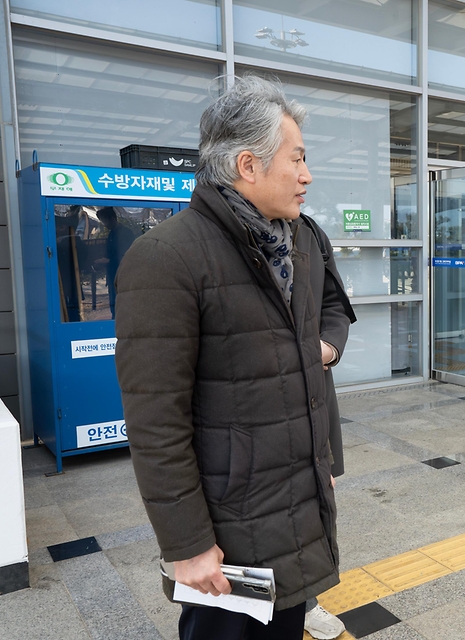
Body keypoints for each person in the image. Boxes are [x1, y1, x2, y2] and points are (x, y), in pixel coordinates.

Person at [115, 75, 354, 640]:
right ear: (248, 165)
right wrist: (188, 542)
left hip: (295, 507)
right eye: (296, 159)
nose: (307, 175)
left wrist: (322, 456)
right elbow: (155, 419)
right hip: (225, 535)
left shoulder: (299, 240)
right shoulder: (166, 257)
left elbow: (332, 311)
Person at [96, 206, 136, 319]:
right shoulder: (111, 233)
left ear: (113, 219)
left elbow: (127, 255)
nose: (104, 225)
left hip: (123, 275)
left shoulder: (126, 233)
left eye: (105, 222)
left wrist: (108, 260)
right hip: (112, 274)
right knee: (113, 303)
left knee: (123, 303)